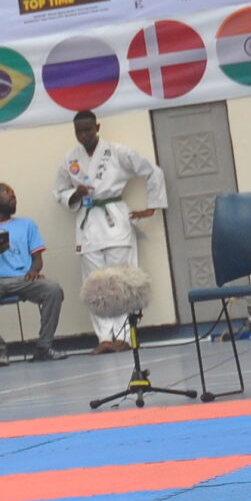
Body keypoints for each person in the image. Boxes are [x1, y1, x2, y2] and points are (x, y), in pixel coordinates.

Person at [55, 111, 163, 353]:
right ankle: (104, 338)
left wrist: (152, 206)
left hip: (115, 220)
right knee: (95, 285)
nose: (84, 135)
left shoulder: (117, 152)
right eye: (79, 131)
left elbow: (152, 171)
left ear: (97, 127)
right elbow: (59, 190)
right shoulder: (70, 158)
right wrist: (75, 194)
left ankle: (123, 337)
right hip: (88, 224)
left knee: (121, 282)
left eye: (88, 130)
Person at [0, 184, 63, 365]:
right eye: (7, 192)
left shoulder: (27, 224)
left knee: (53, 289)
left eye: (14, 193)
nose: (13, 196)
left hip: (23, 278)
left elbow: (37, 259)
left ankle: (44, 347)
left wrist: (34, 271)